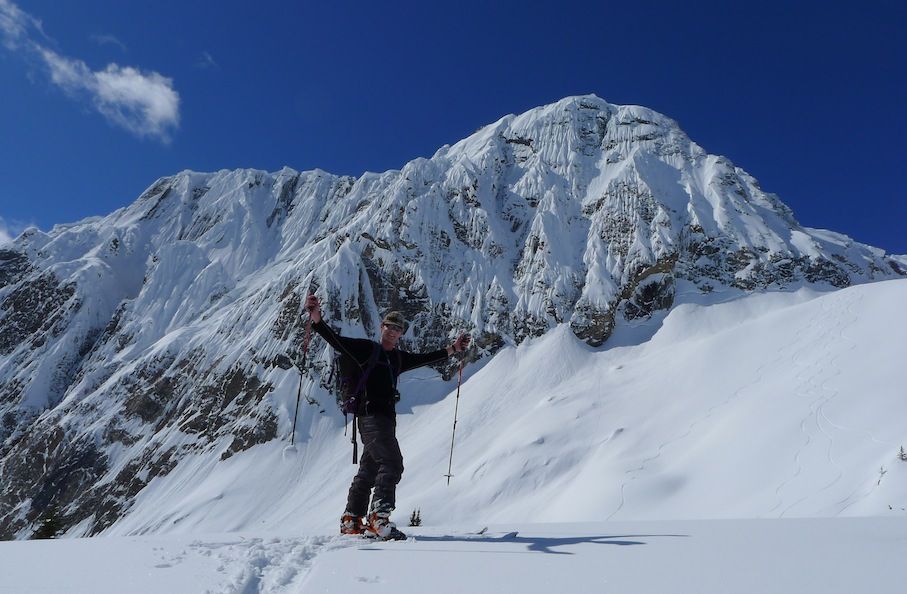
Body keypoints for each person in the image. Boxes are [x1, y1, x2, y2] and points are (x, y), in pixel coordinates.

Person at [304, 294, 470, 539]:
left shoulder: (398, 358)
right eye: (389, 327)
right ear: (381, 327)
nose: (393, 332)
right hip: (370, 417)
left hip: (385, 421)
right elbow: (336, 341)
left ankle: (352, 519)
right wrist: (317, 320)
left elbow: (426, 357)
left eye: (398, 329)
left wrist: (454, 349)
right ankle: (378, 519)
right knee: (392, 463)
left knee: (369, 469)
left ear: (401, 334)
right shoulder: (366, 349)